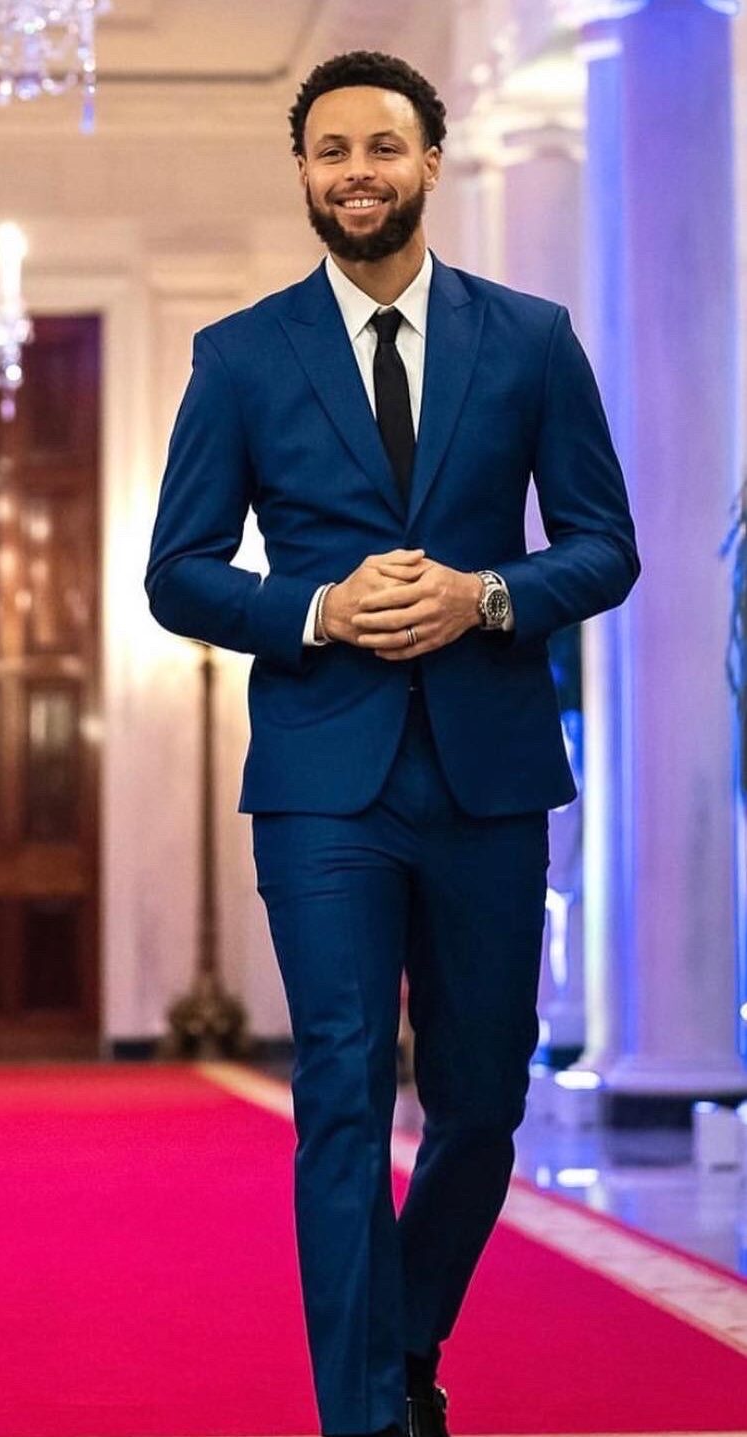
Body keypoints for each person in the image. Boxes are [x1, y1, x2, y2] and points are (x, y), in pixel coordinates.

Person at [146, 51, 637, 1437]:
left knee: (480, 1097)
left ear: (429, 160)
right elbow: (177, 572)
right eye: (328, 152)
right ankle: (361, 1411)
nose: (354, 172)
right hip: (320, 782)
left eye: (380, 148)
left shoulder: (530, 338)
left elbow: (603, 544)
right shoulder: (238, 356)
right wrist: (312, 607)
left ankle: (406, 1340)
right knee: (345, 1084)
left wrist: (489, 595)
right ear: (302, 174)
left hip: (487, 770)